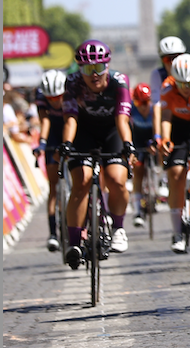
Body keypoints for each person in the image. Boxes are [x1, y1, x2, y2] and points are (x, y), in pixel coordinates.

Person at [61, 40, 137, 269]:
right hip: (83, 132)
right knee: (81, 182)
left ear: (107, 66)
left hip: (112, 131)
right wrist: (66, 143)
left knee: (116, 179)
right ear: (79, 70)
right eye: (86, 69)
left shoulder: (119, 82)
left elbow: (122, 119)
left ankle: (118, 228)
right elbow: (71, 118)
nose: (93, 75)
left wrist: (128, 144)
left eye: (98, 68)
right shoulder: (73, 82)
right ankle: (74, 244)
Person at [158, 54, 190, 254]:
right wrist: (165, 139)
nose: (187, 88)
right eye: (181, 84)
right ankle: (178, 232)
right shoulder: (167, 87)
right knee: (175, 175)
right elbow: (165, 117)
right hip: (178, 127)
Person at [34, 70, 67, 252]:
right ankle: (53, 233)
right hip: (53, 132)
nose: (55, 101)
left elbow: (74, 119)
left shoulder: (72, 92)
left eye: (58, 97)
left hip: (71, 126)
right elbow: (44, 120)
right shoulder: (40, 96)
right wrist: (42, 143)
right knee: (53, 185)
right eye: (50, 98)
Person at [129, 83, 155, 228]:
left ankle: (160, 181)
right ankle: (138, 211)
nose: (143, 106)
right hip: (137, 138)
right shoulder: (132, 109)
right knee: (138, 171)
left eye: (145, 102)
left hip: (152, 135)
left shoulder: (154, 108)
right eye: (139, 102)